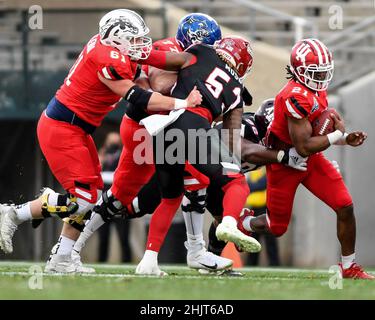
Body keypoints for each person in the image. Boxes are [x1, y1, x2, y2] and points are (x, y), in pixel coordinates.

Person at [0, 9, 202, 273]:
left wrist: (199, 58)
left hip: (77, 128)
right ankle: (15, 213)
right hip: (61, 128)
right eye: (136, 39)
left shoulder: (116, 47)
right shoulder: (106, 58)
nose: (142, 44)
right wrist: (183, 103)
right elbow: (138, 97)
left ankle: (61, 259)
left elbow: (162, 57)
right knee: (83, 199)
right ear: (118, 39)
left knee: (92, 196)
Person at [73, 13, 236, 273]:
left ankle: (196, 252)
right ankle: (73, 248)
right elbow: (159, 85)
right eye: (206, 48)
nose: (210, 53)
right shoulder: (168, 49)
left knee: (185, 184)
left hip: (164, 128)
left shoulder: (195, 58)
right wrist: (192, 77)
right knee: (132, 195)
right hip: (145, 128)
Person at [239, 38, 374, 279]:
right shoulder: (294, 96)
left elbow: (313, 135)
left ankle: (349, 267)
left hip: (310, 159)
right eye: (315, 73)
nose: (321, 79)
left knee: (344, 206)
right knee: (276, 227)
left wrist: (344, 139)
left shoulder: (316, 89)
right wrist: (336, 135)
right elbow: (302, 146)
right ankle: (245, 224)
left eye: (324, 73)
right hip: (284, 163)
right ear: (299, 70)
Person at [97, 132, 132, 263]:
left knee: (124, 237)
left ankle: (127, 262)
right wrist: (101, 157)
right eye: (111, 142)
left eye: (116, 142)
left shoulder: (123, 154)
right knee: (103, 237)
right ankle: (101, 262)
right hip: (103, 202)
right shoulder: (102, 155)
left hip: (120, 202)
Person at [245, 167, 280, 266]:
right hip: (254, 207)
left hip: (266, 206)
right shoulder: (252, 172)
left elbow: (260, 184)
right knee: (253, 237)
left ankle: (274, 263)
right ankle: (251, 263)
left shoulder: (266, 170)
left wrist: (250, 185)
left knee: (270, 237)